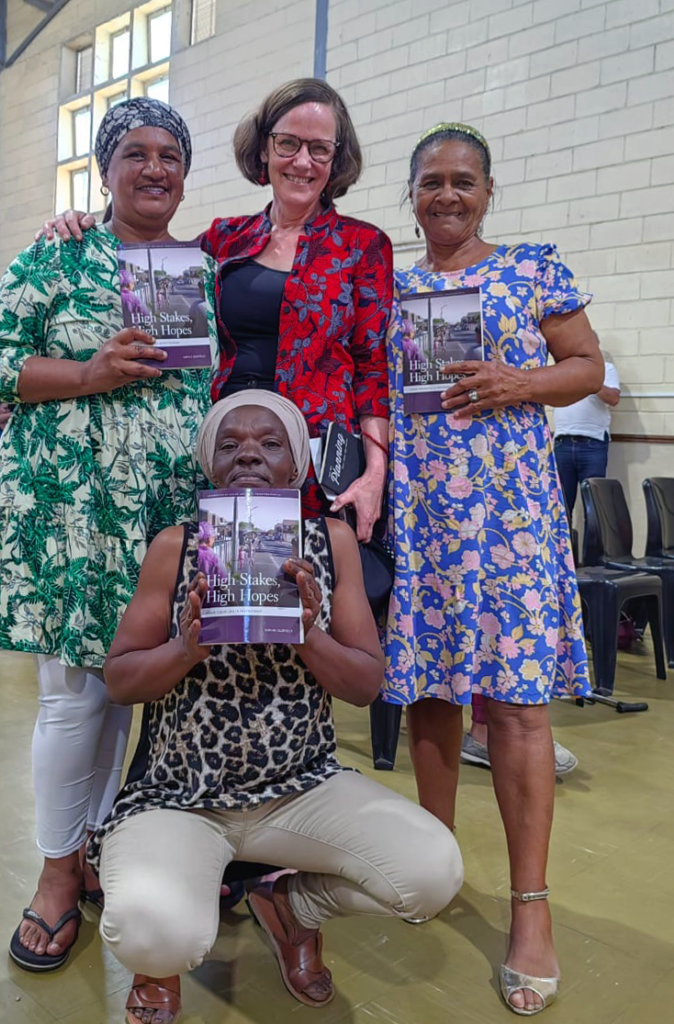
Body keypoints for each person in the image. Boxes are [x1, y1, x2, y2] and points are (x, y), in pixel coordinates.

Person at [90, 390, 463, 1023]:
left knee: (431, 873)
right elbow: (120, 679)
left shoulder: (332, 540)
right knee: (155, 929)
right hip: (183, 792)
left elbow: (365, 684)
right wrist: (186, 647)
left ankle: (292, 907)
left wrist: (308, 634)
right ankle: (159, 964)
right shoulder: (177, 545)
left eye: (270, 444)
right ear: (210, 465)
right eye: (230, 444)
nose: (249, 456)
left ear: (298, 467)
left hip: (301, 786)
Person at [0, 98, 210, 973]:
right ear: (104, 171)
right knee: (74, 700)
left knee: (125, 694)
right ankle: (56, 874)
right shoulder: (59, 250)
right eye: (135, 154)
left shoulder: (197, 270)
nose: (154, 169)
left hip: (160, 515)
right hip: (71, 511)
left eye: (169, 157)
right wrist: (87, 371)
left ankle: (97, 841)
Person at [383, 123, 604, 1016]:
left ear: (487, 190)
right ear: (410, 194)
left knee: (515, 707)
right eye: (430, 181)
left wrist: (521, 382)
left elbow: (584, 365)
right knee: (432, 696)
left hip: (509, 518)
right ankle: (433, 866)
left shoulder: (531, 268)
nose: (446, 194)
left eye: (462, 181)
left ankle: (529, 910)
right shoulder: (389, 285)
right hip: (425, 517)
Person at [38, 78, 393, 544]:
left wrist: (375, 475)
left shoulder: (363, 246)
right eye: (288, 143)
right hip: (220, 453)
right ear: (264, 149)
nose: (302, 161)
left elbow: (372, 369)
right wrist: (85, 222)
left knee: (309, 598)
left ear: (336, 158)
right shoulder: (223, 239)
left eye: (320, 149)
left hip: (316, 463)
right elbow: (144, 251)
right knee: (220, 598)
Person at [553, 350, 620, 521]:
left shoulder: (606, 369)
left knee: (595, 506)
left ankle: (594, 549)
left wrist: (592, 380)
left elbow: (613, 398)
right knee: (561, 508)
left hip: (593, 443)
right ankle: (564, 548)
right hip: (562, 443)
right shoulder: (560, 370)